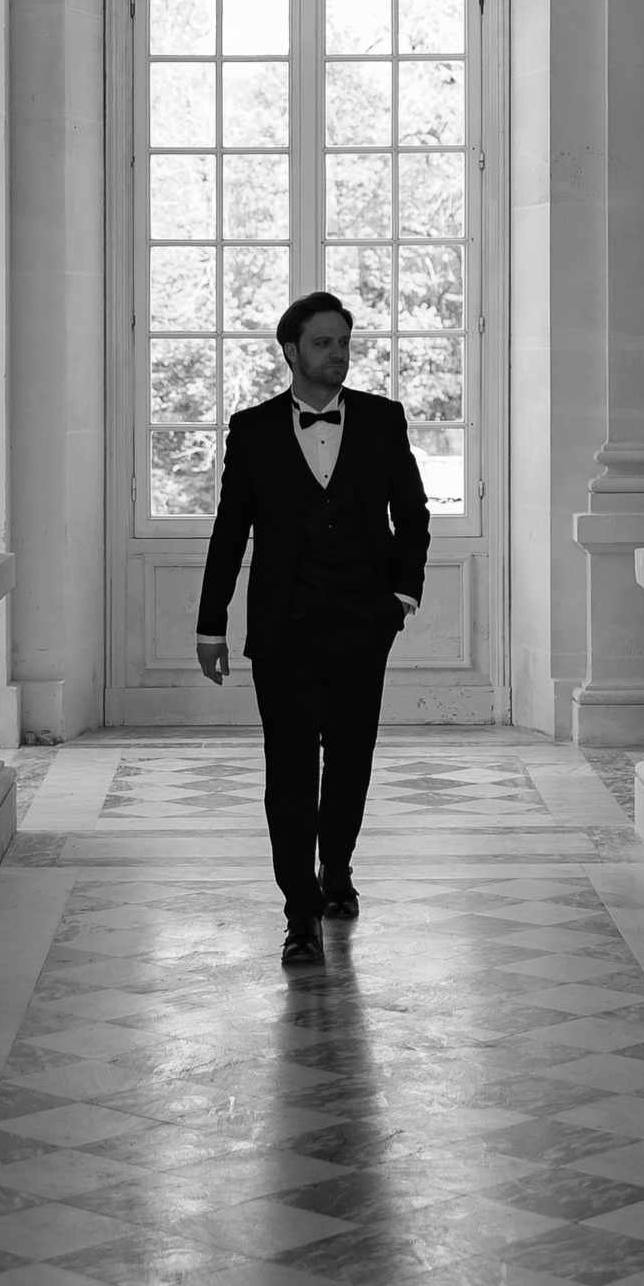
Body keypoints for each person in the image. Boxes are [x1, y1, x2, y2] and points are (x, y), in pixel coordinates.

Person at [197, 291, 430, 966]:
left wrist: (402, 594)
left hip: (364, 621)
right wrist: (212, 625)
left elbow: (411, 512)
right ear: (292, 352)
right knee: (292, 768)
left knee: (351, 760)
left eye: (345, 343)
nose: (339, 355)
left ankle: (338, 872)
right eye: (324, 343)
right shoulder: (255, 429)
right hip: (284, 628)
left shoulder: (384, 421)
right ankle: (299, 911)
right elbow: (229, 531)